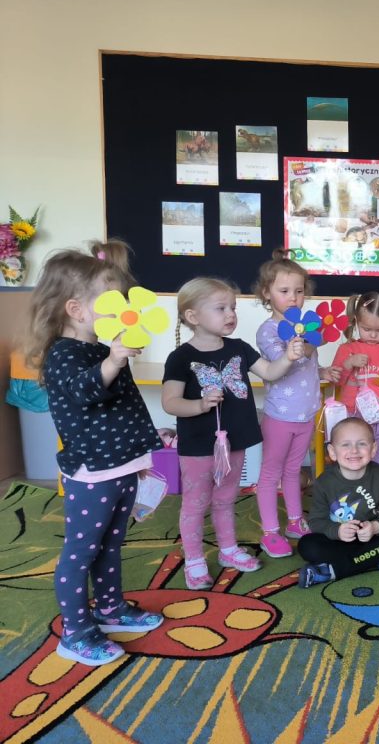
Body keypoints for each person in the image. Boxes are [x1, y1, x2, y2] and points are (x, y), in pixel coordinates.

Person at [26, 246, 164, 666]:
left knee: (111, 545)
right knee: (81, 551)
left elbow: (123, 405)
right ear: (76, 309)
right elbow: (86, 390)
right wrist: (114, 360)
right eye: (112, 301)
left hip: (121, 465)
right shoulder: (64, 354)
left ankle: (110, 608)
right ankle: (75, 632)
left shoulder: (100, 350)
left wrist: (148, 441)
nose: (123, 309)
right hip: (93, 472)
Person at [162, 278, 302, 590]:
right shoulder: (181, 358)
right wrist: (200, 404)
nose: (230, 314)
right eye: (221, 308)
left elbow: (270, 372)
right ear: (193, 316)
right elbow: (170, 402)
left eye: (233, 308)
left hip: (235, 440)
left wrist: (288, 358)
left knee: (226, 498)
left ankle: (228, 550)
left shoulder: (239, 348)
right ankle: (194, 560)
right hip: (198, 446)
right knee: (195, 504)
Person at [252, 250, 342, 559]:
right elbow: (280, 365)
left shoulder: (306, 328)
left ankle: (294, 521)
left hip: (307, 413)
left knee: (293, 470)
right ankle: (269, 531)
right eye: (284, 290)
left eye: (299, 291)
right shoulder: (268, 331)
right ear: (267, 293)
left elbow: (305, 366)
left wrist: (322, 371)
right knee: (270, 474)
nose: (293, 297)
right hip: (280, 416)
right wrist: (298, 349)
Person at [296, 418, 379, 587]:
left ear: (373, 449)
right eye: (345, 445)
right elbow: (316, 521)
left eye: (362, 444)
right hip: (338, 541)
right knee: (307, 545)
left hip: (371, 538)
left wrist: (376, 527)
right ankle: (378, 560)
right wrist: (337, 531)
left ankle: (331, 571)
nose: (354, 450)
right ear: (332, 452)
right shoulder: (324, 481)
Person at [331, 292, 379, 468]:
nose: (373, 335)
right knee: (353, 462)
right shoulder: (347, 349)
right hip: (354, 416)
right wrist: (349, 363)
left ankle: (377, 486)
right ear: (356, 321)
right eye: (366, 329)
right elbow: (337, 381)